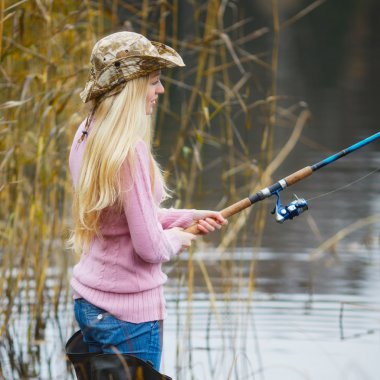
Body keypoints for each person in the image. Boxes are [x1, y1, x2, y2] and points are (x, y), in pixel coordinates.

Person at [68, 31, 227, 372]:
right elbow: (150, 248)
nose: (160, 90)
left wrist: (187, 216)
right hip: (129, 316)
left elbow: (123, 219)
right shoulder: (128, 152)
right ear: (130, 87)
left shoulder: (87, 133)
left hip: (90, 303)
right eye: (154, 81)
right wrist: (180, 238)